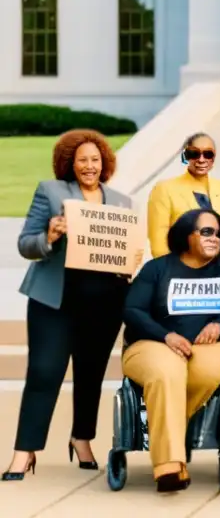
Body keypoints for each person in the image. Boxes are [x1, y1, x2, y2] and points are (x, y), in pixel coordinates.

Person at [4, 130, 134, 481]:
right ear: (69, 164)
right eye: (82, 160)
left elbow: (125, 251)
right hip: (55, 300)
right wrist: (48, 237)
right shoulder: (51, 191)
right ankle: (24, 451)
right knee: (44, 372)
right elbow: (25, 244)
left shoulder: (121, 202)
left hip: (105, 303)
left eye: (95, 160)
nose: (89, 166)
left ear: (104, 162)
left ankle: (82, 439)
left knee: (91, 375)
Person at [121, 209, 220, 491]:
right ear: (187, 236)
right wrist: (166, 335)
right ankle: (169, 465)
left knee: (204, 369)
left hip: (215, 345)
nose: (215, 238)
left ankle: (168, 434)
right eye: (207, 232)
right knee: (167, 368)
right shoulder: (156, 269)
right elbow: (133, 310)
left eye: (218, 233)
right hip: (153, 344)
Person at [147, 132, 220, 270]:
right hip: (183, 275)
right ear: (185, 155)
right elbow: (159, 243)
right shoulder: (164, 189)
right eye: (194, 154)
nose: (201, 159)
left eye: (208, 154)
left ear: (214, 157)